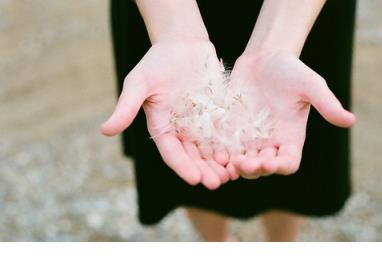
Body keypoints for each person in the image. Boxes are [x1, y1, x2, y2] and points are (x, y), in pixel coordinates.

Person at [102, 0, 357, 241]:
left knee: (290, 161)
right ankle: (217, 244)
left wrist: (280, 43)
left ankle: (281, 247)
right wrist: (173, 29)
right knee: (188, 158)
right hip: (158, 11)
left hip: (300, 13)